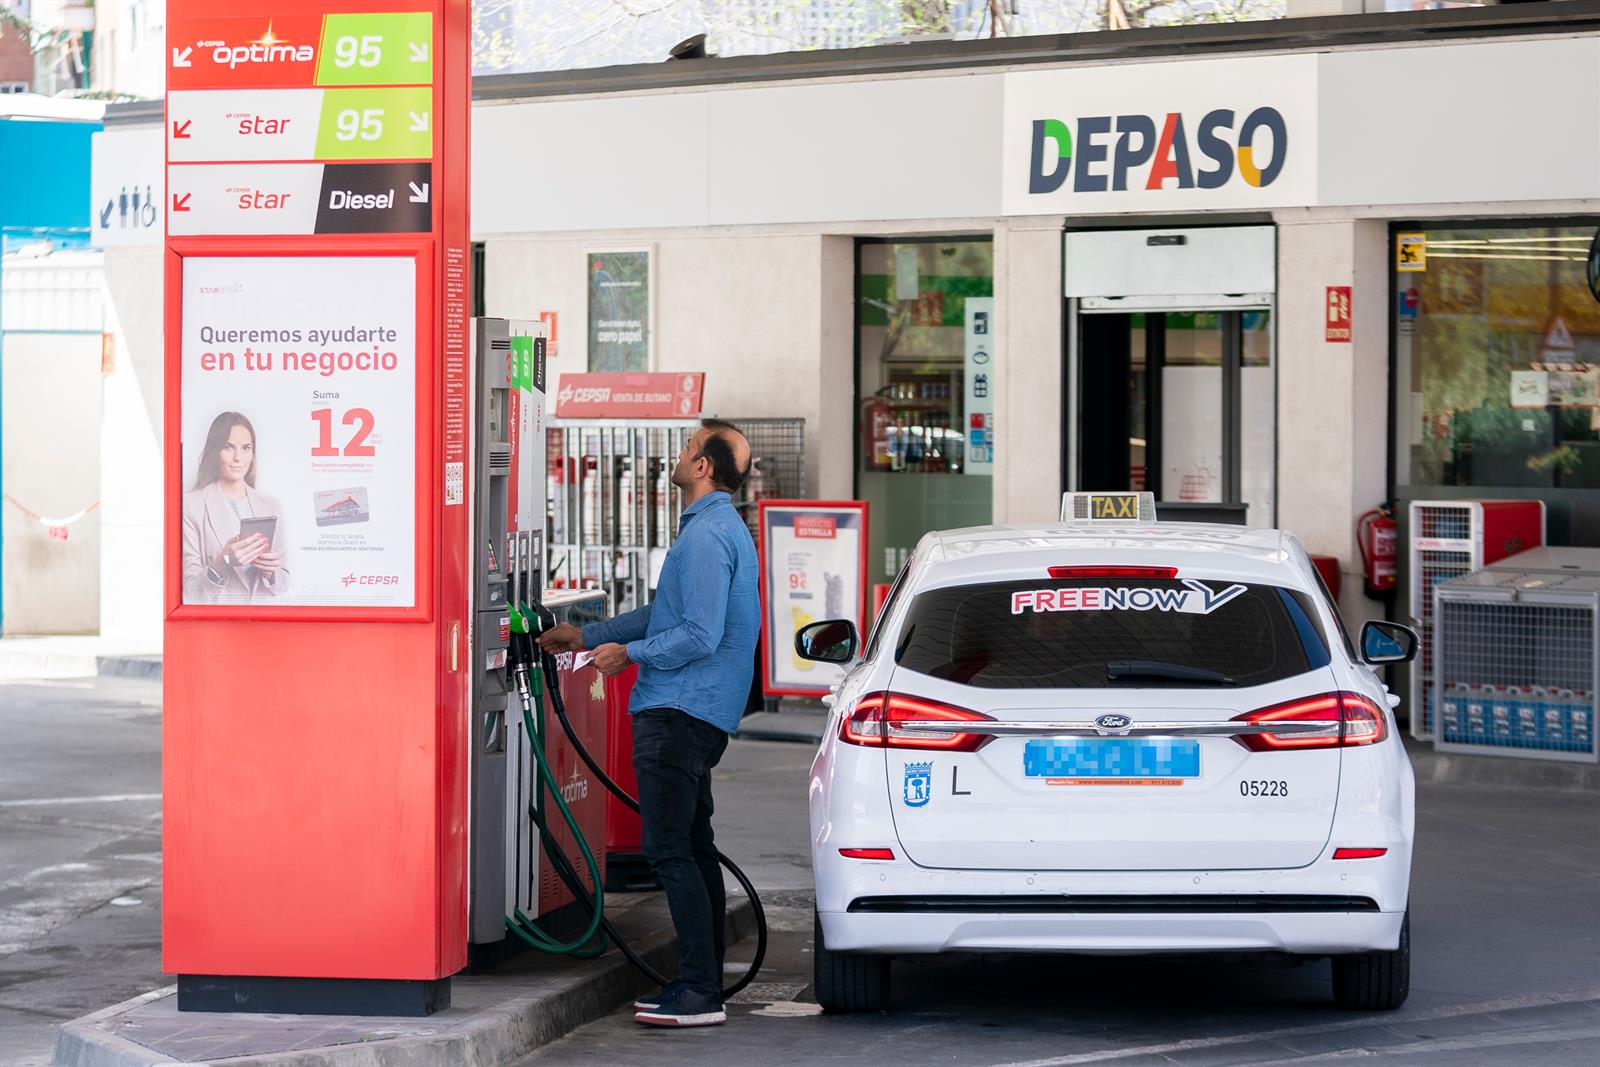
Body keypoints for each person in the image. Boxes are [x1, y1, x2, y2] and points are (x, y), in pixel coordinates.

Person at [538, 418, 758, 1029]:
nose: (678, 454)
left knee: (669, 850)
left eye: (688, 447)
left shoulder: (709, 537)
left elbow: (697, 633)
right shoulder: (715, 529)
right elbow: (666, 612)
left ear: (704, 467)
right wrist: (588, 635)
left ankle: (698, 991)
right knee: (691, 845)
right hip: (693, 709)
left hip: (680, 709)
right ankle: (704, 983)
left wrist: (625, 657)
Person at [181, 412, 289, 603]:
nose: (238, 458)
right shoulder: (191, 505)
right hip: (219, 625)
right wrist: (222, 563)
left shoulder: (271, 505)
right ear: (214, 451)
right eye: (228, 447)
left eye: (246, 448)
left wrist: (271, 573)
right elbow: (190, 594)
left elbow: (283, 585)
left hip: (263, 624)